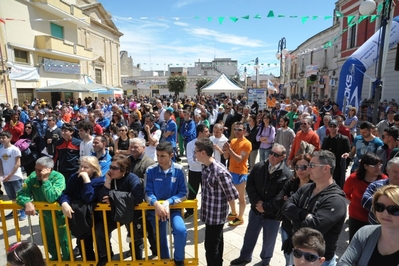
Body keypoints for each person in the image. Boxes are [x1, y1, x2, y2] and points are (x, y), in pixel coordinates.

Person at [282, 150, 347, 266]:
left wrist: (294, 218)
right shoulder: (306, 188)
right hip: (298, 254)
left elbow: (314, 229)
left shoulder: (336, 200)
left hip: (319, 261)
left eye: (312, 165)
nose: (308, 168)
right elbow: (286, 207)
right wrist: (304, 215)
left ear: (326, 168)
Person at [231, 143, 292, 266]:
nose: (272, 156)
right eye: (271, 153)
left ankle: (265, 261)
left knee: (269, 241)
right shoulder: (259, 166)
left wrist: (265, 207)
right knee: (249, 236)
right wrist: (257, 202)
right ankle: (245, 257)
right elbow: (250, 185)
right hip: (255, 210)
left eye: (276, 154)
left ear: (283, 157)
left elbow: (282, 196)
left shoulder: (287, 175)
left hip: (272, 215)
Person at [194, 138, 238, 266]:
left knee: (211, 248)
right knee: (217, 243)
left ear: (203, 153)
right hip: (209, 214)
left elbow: (231, 195)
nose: (194, 154)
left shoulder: (219, 172)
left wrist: (234, 213)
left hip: (216, 216)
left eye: (196, 151)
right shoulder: (205, 167)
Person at [16, 156, 70, 260]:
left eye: (40, 170)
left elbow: (52, 197)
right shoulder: (32, 177)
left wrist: (45, 181)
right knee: (48, 240)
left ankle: (68, 261)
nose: (37, 172)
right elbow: (21, 193)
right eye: (36, 169)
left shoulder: (59, 177)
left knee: (64, 241)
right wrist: (26, 202)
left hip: (59, 216)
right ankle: (55, 259)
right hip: (44, 216)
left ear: (49, 169)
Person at [144, 142, 188, 266]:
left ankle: (179, 260)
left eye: (163, 156)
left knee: (180, 231)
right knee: (161, 237)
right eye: (157, 155)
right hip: (157, 209)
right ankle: (165, 261)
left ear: (171, 155)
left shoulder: (179, 170)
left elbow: (184, 193)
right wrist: (156, 203)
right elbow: (147, 192)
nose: (159, 159)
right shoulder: (151, 170)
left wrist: (169, 202)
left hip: (174, 208)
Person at [96, 155, 144, 265]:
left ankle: (137, 259)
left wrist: (113, 198)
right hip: (115, 213)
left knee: (135, 235)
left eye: (115, 168)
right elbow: (102, 198)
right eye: (110, 167)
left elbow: (137, 198)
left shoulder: (132, 178)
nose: (111, 170)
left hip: (131, 214)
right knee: (100, 230)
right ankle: (105, 255)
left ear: (124, 170)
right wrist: (108, 181)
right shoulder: (110, 178)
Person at [338, 185, 399, 266]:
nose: (385, 213)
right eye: (380, 207)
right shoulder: (364, 233)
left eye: (393, 209)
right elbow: (344, 262)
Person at [58, 156, 104, 261]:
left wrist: (87, 180)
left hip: (94, 217)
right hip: (80, 217)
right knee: (83, 243)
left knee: (99, 243)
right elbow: (66, 193)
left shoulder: (99, 181)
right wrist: (64, 202)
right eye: (81, 166)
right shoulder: (74, 178)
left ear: (94, 168)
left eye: (86, 167)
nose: (82, 169)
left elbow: (89, 198)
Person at [275, 154, 313, 265]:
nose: (300, 170)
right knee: (288, 259)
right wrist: (293, 207)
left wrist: (289, 204)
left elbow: (310, 212)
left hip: (304, 232)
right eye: (297, 167)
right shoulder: (291, 183)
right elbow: (277, 201)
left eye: (304, 167)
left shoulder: (314, 187)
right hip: (287, 228)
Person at [343, 152, 388, 242]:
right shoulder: (353, 178)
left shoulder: (384, 179)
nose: (378, 168)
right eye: (374, 166)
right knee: (355, 241)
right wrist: (356, 202)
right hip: (356, 216)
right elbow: (346, 193)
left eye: (380, 165)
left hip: (376, 219)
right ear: (365, 166)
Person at [223, 122, 252, 226]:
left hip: (240, 172)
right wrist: (226, 150)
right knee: (230, 194)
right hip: (231, 171)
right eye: (235, 129)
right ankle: (233, 212)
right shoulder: (233, 141)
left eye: (239, 130)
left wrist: (229, 150)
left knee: (241, 197)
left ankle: (240, 217)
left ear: (244, 131)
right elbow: (226, 157)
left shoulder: (247, 143)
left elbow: (240, 159)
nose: (237, 132)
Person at [362, 157, 399, 224]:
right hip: (374, 227)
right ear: (387, 170)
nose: (398, 175)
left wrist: (378, 204)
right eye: (395, 172)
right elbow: (365, 201)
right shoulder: (376, 185)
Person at [184, 124, 210, 219]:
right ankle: (189, 210)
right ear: (200, 133)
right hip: (194, 172)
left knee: (206, 192)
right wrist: (204, 162)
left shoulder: (208, 144)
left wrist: (200, 161)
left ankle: (205, 210)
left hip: (206, 172)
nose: (208, 133)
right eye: (206, 131)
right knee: (192, 192)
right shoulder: (190, 144)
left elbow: (211, 158)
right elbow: (191, 162)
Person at [321, 119, 351, 188]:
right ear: (328, 127)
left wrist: (344, 166)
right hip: (328, 167)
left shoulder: (344, 139)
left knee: (338, 186)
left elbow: (348, 153)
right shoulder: (326, 139)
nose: (332, 128)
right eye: (330, 126)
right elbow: (322, 152)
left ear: (338, 127)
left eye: (334, 126)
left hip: (339, 167)